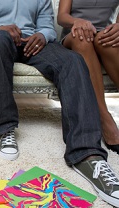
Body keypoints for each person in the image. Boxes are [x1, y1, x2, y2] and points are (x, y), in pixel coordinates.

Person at [0, 0, 119, 206]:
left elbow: (48, 28)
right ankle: (5, 129)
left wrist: (42, 36)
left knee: (73, 61)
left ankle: (87, 154)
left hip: (33, 45)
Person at [57, 0, 119, 154]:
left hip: (103, 34)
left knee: (108, 43)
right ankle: (105, 119)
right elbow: (62, 17)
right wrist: (77, 21)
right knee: (83, 39)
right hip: (74, 35)